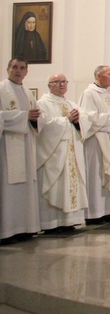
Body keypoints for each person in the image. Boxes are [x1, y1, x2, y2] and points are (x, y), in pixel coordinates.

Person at [36, 73, 89, 232]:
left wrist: (78, 121)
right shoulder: (43, 104)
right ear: (49, 85)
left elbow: (86, 121)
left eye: (64, 82)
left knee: (71, 183)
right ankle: (52, 223)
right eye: (57, 82)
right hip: (55, 153)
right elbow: (43, 127)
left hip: (72, 152)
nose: (61, 85)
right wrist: (66, 119)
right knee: (57, 185)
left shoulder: (71, 103)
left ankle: (70, 221)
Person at [79, 65, 110, 224]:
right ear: (99, 76)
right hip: (97, 143)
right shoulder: (89, 94)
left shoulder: (106, 94)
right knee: (98, 175)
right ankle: (95, 213)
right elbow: (88, 117)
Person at [0, 57, 41, 244]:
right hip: (7, 147)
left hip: (26, 145)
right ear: (7, 69)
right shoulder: (1, 89)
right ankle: (7, 231)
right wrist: (24, 117)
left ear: (27, 72)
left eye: (22, 68)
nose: (18, 71)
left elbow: (38, 117)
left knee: (25, 188)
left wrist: (34, 119)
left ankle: (25, 227)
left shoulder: (27, 92)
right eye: (14, 67)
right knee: (8, 188)